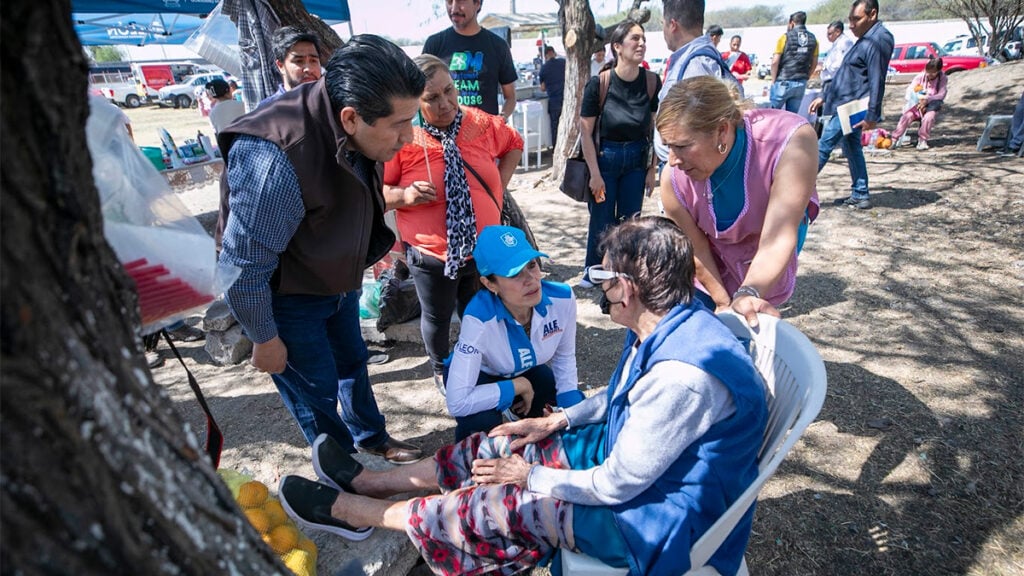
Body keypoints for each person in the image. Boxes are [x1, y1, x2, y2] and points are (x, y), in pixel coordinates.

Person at [278, 216, 768, 576]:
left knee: (498, 501)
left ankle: (353, 513)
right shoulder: (671, 318)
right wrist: (556, 422)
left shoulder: (681, 377)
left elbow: (618, 486)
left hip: (650, 519)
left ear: (625, 289)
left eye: (602, 280)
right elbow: (622, 395)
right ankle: (373, 483)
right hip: (634, 464)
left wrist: (530, 476)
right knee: (500, 443)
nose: (595, 291)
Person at [217, 35, 427, 464]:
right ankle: (343, 470)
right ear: (350, 118)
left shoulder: (355, 115)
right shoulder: (277, 158)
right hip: (289, 296)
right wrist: (265, 337)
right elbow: (242, 267)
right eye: (400, 124)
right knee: (314, 389)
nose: (408, 137)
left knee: (352, 363)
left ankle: (371, 438)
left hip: (336, 278)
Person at [382, 53, 523, 395]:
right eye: (431, 98)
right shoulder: (403, 136)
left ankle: (479, 362)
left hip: (481, 246)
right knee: (437, 315)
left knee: (478, 310)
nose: (445, 104)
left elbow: (514, 143)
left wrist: (497, 189)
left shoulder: (480, 123)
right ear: (414, 100)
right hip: (432, 253)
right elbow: (376, 192)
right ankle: (441, 369)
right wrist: (405, 196)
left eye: (449, 91)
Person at [659, 77, 819, 325]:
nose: (672, 160)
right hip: (711, 266)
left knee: (750, 312)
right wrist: (723, 303)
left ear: (722, 131)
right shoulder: (673, 180)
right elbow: (697, 248)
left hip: (767, 249)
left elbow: (777, 237)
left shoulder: (791, 142)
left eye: (682, 146)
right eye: (668, 146)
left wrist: (748, 293)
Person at [440, 225, 584, 441]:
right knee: (481, 427)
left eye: (532, 265)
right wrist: (517, 386)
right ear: (490, 284)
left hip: (524, 368)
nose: (531, 279)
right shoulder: (478, 318)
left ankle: (518, 414)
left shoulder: (562, 298)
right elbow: (458, 401)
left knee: (573, 420)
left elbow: (564, 358)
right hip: (481, 376)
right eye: (515, 273)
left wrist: (569, 414)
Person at [577, 21, 662, 288]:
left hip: (636, 161)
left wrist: (652, 168)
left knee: (631, 221)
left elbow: (654, 128)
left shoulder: (651, 82)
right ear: (617, 46)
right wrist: (595, 174)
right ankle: (594, 271)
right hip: (605, 160)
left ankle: (624, 271)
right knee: (601, 219)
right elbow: (585, 132)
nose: (641, 43)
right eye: (634, 38)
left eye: (643, 38)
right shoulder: (599, 83)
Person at [809, 0, 894, 210]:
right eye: (850, 19)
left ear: (872, 14)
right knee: (851, 147)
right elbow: (848, 75)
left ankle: (793, 191)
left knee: (823, 145)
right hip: (845, 103)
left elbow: (877, 79)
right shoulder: (866, 38)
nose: (852, 25)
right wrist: (825, 96)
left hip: (855, 106)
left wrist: (872, 114)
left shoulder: (879, 39)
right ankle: (860, 193)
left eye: (857, 19)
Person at [655, 0, 741, 169]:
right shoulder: (695, 59)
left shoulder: (696, 65)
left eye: (662, 24)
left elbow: (701, 130)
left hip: (688, 169)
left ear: (672, 25)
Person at [423, 0, 518, 122]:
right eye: (449, 1)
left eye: (461, 1)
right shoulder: (434, 44)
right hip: (444, 131)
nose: (454, 9)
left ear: (477, 3)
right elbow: (419, 93)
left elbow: (510, 97)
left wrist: (501, 119)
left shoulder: (498, 46)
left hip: (484, 130)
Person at [890, 57, 947, 150]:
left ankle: (922, 140)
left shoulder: (942, 78)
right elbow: (912, 89)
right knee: (907, 116)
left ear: (938, 71)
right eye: (928, 72)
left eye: (933, 73)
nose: (929, 75)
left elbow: (942, 94)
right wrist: (919, 98)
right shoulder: (920, 77)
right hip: (917, 104)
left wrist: (927, 99)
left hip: (932, 105)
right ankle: (894, 139)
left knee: (929, 117)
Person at [259, 26, 322, 107]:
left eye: (313, 61)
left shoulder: (330, 103)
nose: (308, 69)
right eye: (299, 61)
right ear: (280, 66)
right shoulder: (268, 109)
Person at [770, 11, 819, 113]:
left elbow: (775, 61)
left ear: (792, 23)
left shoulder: (785, 37)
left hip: (784, 80)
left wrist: (773, 80)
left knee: (773, 114)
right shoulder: (814, 39)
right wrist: (806, 76)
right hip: (801, 82)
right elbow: (814, 63)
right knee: (792, 117)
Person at [816, 21, 855, 92]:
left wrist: (824, 67)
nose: (827, 36)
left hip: (836, 82)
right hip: (830, 81)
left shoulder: (845, 43)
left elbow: (839, 63)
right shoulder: (836, 44)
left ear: (838, 32)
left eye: (830, 34)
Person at [538, 45, 566, 139]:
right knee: (566, 125)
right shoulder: (563, 62)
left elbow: (543, 88)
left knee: (555, 127)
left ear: (545, 55)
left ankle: (556, 145)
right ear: (554, 53)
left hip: (554, 101)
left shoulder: (544, 68)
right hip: (565, 99)